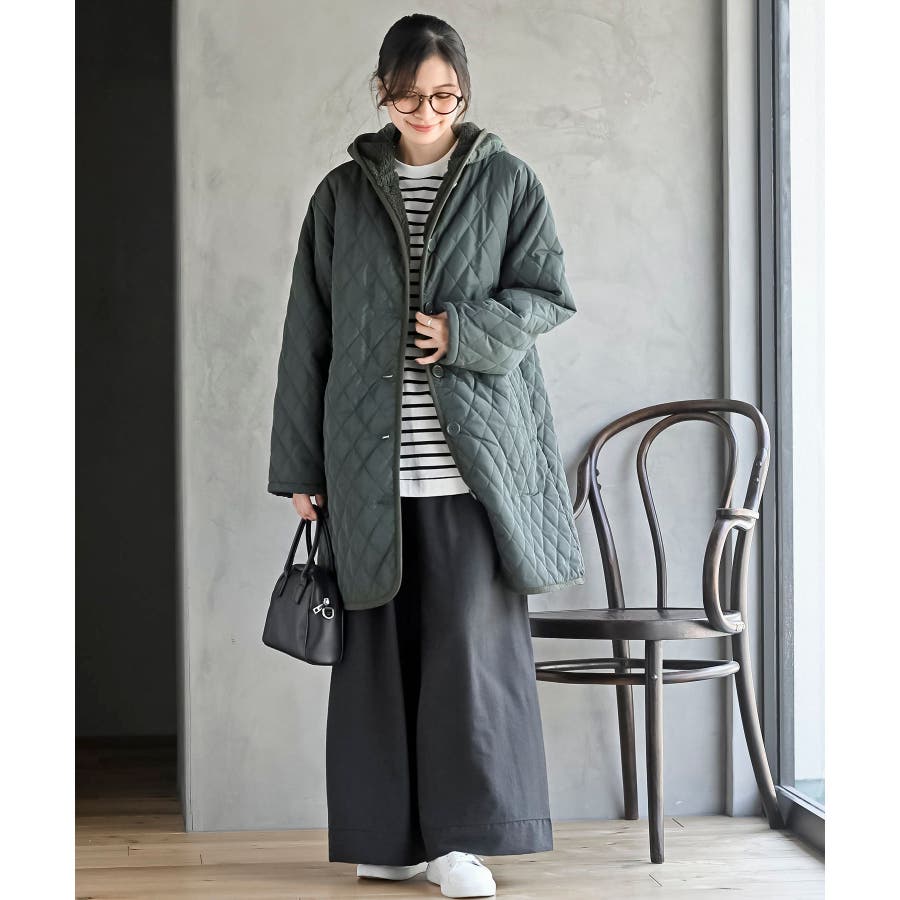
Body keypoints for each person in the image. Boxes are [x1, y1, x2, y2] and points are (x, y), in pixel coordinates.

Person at [268, 13, 584, 899]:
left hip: (474, 468)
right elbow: (306, 336)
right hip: (366, 466)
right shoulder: (340, 196)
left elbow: (548, 295)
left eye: (445, 96)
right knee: (374, 660)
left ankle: (460, 844)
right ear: (382, 92)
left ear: (464, 93)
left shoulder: (507, 181)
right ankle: (387, 839)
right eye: (410, 96)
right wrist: (299, 468)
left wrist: (462, 331)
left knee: (467, 661)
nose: (428, 111)